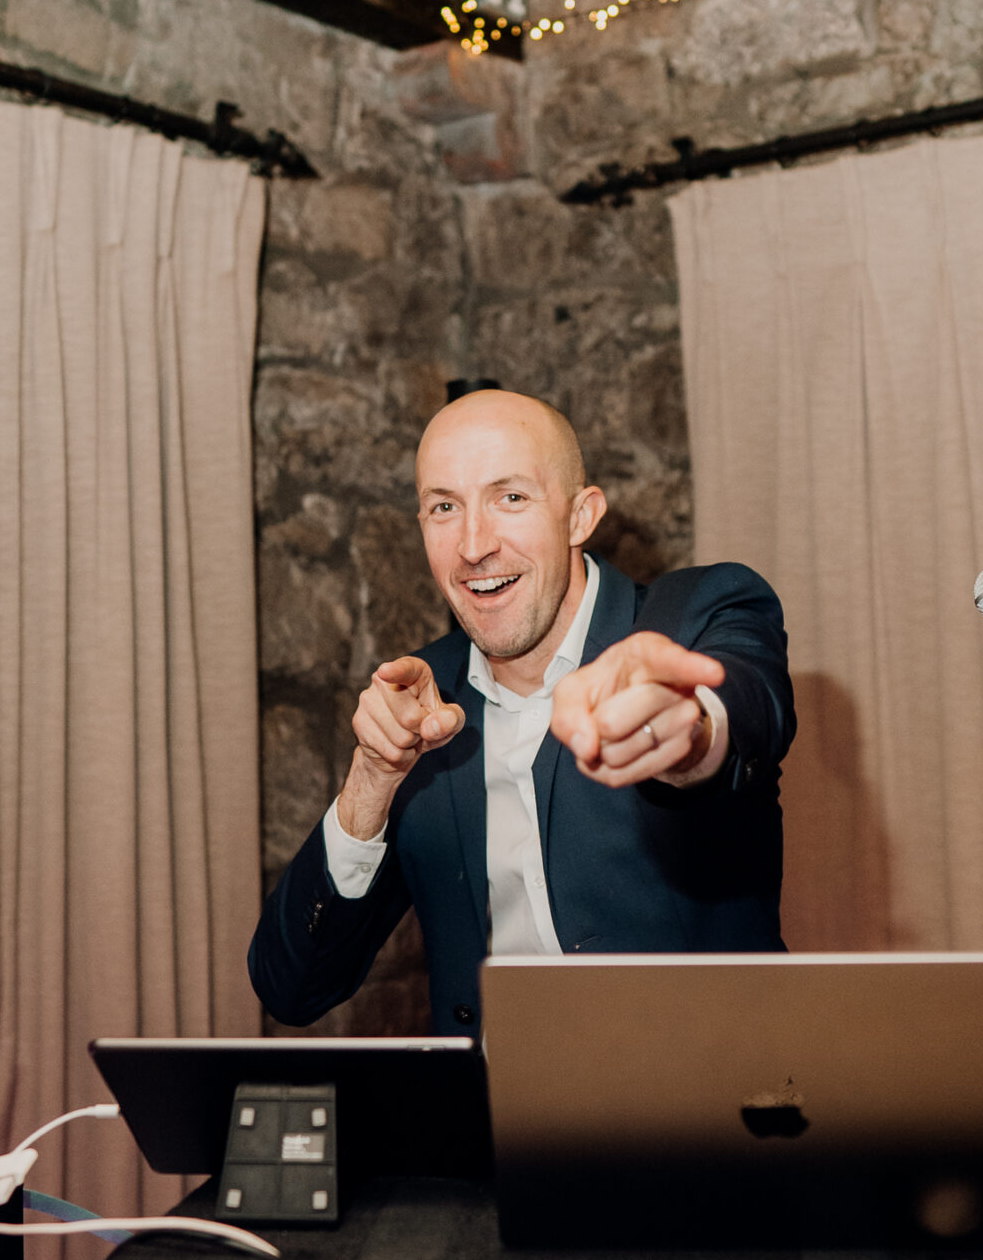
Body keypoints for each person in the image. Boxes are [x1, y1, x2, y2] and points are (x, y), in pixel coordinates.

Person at [248, 388, 795, 1035]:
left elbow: (745, 709)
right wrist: (371, 779)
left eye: (510, 498)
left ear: (579, 516)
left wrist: (686, 733)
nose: (474, 545)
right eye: (444, 507)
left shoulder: (696, 615)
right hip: (497, 1126)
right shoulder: (421, 702)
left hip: (705, 1113)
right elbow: (292, 986)